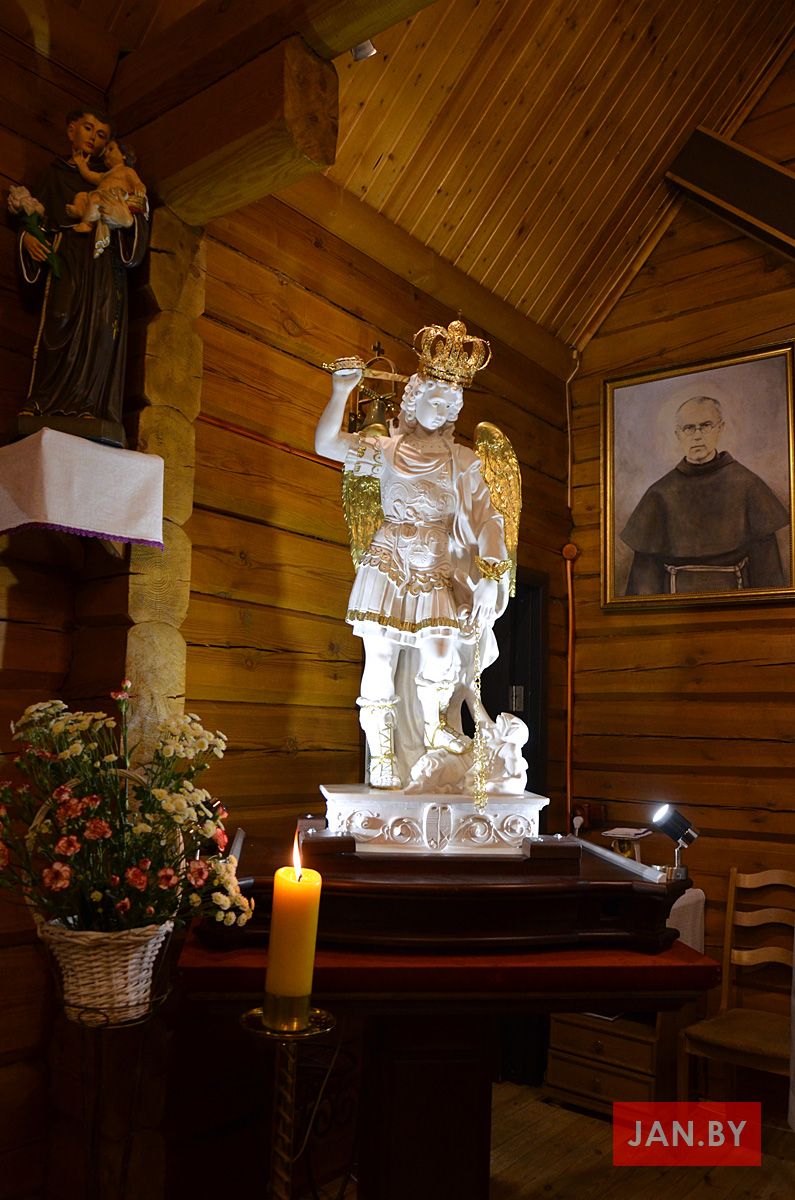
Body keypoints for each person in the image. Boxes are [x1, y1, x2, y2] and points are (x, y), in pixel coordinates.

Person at [315, 320, 516, 791]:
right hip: (389, 559)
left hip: (434, 565)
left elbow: (489, 519)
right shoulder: (385, 449)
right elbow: (326, 444)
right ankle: (383, 754)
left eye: (450, 404)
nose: (441, 409)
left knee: (441, 653)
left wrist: (492, 575)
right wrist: (341, 392)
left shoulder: (463, 461)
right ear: (414, 399)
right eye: (434, 399)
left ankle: (434, 729)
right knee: (380, 657)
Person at [16, 109, 149, 445]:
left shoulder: (113, 178)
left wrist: (128, 221)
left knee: (100, 328)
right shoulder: (56, 175)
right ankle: (43, 401)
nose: (94, 138)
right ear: (71, 129)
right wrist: (28, 237)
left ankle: (90, 404)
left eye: (102, 135)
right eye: (88, 128)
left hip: (103, 265)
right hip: (67, 259)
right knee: (59, 318)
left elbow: (137, 212)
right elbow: (39, 221)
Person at [621, 395, 790, 595]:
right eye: (689, 428)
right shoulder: (659, 494)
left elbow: (768, 573)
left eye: (706, 426)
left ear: (720, 428)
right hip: (675, 605)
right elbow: (644, 582)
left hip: (736, 602)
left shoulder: (748, 485)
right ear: (678, 434)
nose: (697, 436)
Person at [66, 138, 146, 256]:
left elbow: (136, 182)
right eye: (105, 152)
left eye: (111, 149)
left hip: (113, 198)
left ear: (124, 155)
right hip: (99, 198)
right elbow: (89, 175)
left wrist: (140, 187)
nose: (106, 154)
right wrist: (81, 164)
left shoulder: (127, 171)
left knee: (95, 198)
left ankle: (87, 223)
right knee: (81, 196)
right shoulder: (104, 175)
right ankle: (82, 211)